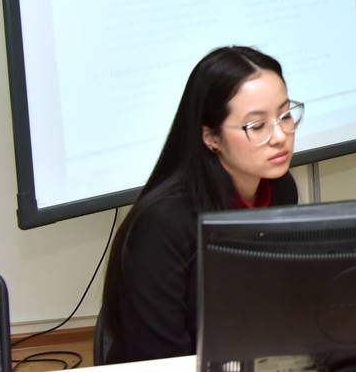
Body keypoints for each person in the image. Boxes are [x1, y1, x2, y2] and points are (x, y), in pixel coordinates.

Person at [99, 46, 302, 364]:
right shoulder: (163, 223)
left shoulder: (280, 189)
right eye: (257, 126)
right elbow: (158, 356)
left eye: (285, 115)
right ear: (211, 137)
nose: (280, 136)